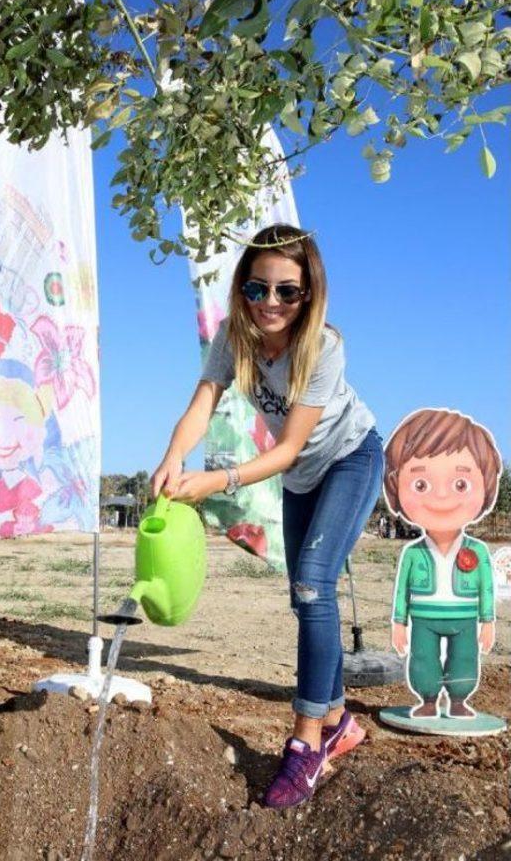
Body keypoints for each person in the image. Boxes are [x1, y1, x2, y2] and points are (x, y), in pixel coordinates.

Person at [150, 224, 385, 808]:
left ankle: (307, 746)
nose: (271, 304)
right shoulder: (235, 335)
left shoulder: (324, 346)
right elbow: (203, 400)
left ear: (309, 294)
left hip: (350, 459)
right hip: (303, 476)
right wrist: (173, 456)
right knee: (304, 594)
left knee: (312, 585)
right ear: (242, 290)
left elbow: (284, 450)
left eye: (288, 291)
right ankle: (338, 721)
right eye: (258, 290)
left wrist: (215, 481)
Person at [385, 408, 500, 718]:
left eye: (460, 485)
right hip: (423, 616)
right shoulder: (412, 553)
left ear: (486, 487)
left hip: (465, 616)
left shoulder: (477, 551)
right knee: (422, 659)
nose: (441, 498)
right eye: (420, 485)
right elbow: (401, 592)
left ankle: (460, 699)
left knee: (465, 659)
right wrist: (398, 623)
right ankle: (427, 699)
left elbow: (487, 588)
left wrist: (488, 622)